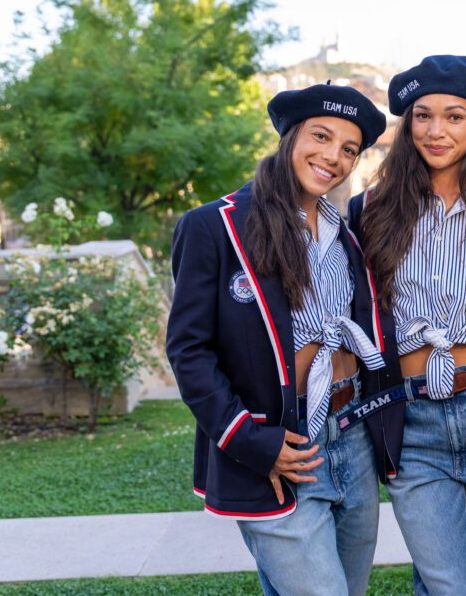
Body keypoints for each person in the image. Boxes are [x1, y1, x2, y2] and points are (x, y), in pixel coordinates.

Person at [166, 83, 388, 596]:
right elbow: (188, 350)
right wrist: (248, 439)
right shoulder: (213, 227)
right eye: (320, 136)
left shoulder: (346, 234)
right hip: (279, 444)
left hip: (351, 436)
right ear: (290, 137)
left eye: (349, 149)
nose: (333, 157)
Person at [347, 55, 466, 596]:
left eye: (454, 116)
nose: (436, 131)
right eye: (422, 116)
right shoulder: (368, 211)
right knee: (450, 583)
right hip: (411, 419)